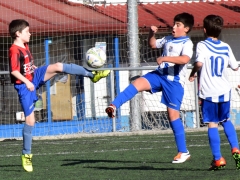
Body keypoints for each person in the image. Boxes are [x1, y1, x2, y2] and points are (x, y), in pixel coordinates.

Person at [8, 19, 110, 172]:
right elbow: (14, 71)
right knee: (30, 120)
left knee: (57, 66)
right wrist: (27, 82)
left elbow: (25, 65)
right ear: (18, 33)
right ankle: (26, 155)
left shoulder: (25, 45)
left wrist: (33, 68)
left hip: (33, 76)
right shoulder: (14, 50)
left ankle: (91, 75)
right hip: (24, 86)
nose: (30, 33)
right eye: (27, 31)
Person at [105, 12, 194, 163]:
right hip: (159, 76)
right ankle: (114, 106)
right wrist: (151, 33)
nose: (174, 27)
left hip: (174, 82)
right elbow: (152, 44)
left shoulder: (187, 43)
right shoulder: (168, 38)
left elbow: (185, 59)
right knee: (137, 83)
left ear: (186, 29)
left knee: (172, 116)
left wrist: (165, 58)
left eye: (178, 25)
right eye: (174, 23)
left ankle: (183, 151)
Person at [189, 15, 240, 171]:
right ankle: (236, 148)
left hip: (209, 91)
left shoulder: (202, 45)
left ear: (204, 30)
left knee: (212, 123)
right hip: (224, 90)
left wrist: (193, 73)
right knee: (226, 120)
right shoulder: (225, 46)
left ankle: (218, 158)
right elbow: (235, 66)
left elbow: (198, 63)